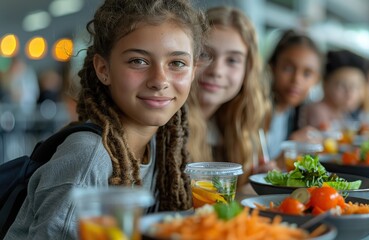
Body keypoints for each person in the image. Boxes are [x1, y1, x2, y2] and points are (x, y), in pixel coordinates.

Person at [4, 0, 209, 239]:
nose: (159, 80)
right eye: (138, 61)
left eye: (177, 63)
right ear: (104, 69)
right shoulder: (89, 158)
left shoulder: (159, 147)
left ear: (193, 72)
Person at [187, 6, 269, 188]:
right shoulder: (167, 128)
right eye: (204, 54)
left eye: (232, 60)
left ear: (247, 71)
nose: (217, 70)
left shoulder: (232, 126)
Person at [264, 30, 323, 159]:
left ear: (316, 79)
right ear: (272, 67)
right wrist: (291, 150)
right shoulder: (257, 112)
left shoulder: (293, 113)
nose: (296, 79)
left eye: (307, 74)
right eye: (288, 68)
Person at [301, 49, 369, 133]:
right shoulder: (318, 111)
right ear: (325, 84)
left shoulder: (342, 113)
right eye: (342, 85)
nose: (350, 93)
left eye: (356, 86)